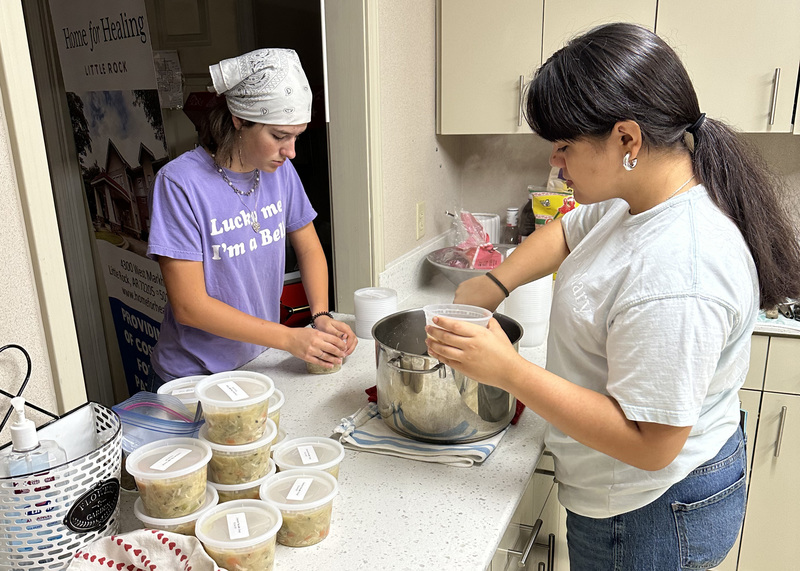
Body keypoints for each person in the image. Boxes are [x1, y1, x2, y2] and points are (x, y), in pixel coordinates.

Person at [425, 23, 800, 570]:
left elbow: (651, 444)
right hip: (637, 493)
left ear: (627, 138)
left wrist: (507, 370)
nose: (555, 161)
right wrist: (495, 282)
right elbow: (568, 230)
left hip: (650, 513)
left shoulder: (679, 272)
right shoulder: (641, 198)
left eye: (564, 146)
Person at [146, 48, 356, 386]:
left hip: (257, 361)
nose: (291, 152)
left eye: (296, 136)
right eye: (278, 136)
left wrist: (320, 316)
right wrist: (288, 339)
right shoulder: (180, 184)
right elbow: (189, 305)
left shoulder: (280, 172)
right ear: (239, 120)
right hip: (193, 376)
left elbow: (309, 248)